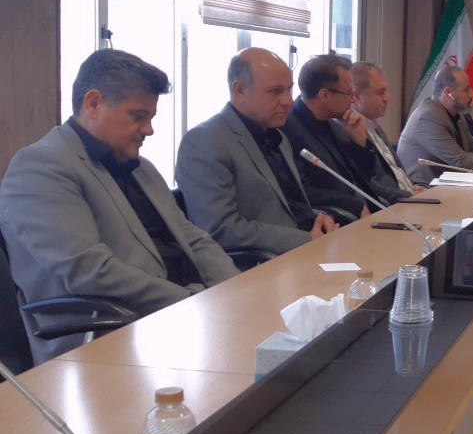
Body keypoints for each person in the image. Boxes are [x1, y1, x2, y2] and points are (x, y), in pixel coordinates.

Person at [0, 49, 238, 363]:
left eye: (151, 118)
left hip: (178, 317)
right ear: (93, 103)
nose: (149, 130)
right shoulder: (40, 167)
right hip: (107, 333)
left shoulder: (141, 167)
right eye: (138, 116)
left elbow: (190, 237)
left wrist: (235, 288)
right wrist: (191, 302)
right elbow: (90, 272)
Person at [176, 49, 337, 257]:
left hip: (308, 248)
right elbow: (219, 229)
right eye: (275, 91)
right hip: (270, 261)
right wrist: (305, 240)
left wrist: (319, 218)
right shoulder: (205, 140)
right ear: (240, 91)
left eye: (289, 90)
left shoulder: (277, 137)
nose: (288, 101)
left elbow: (287, 206)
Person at [281, 55, 387, 218]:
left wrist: (360, 141)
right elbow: (302, 190)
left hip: (371, 209)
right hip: (338, 219)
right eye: (349, 93)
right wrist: (354, 206)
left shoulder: (338, 122)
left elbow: (367, 175)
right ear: (324, 95)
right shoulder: (287, 128)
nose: (353, 100)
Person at [398, 66, 473, 184]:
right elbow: (460, 161)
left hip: (446, 183)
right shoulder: (427, 117)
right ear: (449, 93)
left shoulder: (457, 115)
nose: (472, 94)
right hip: (422, 188)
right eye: (466, 89)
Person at [351, 61, 427, 195]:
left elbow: (395, 172)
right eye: (380, 93)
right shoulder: (349, 131)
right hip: (393, 204)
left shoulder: (374, 125)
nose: (388, 98)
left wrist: (412, 187)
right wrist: (409, 195)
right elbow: (370, 184)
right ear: (356, 96)